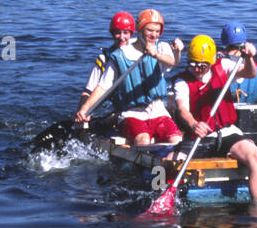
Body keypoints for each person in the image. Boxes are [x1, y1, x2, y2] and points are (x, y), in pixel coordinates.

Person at [174, 35, 257, 204]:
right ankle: (169, 197)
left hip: (226, 132)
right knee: (172, 162)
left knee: (254, 156)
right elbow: (182, 110)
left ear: (210, 62)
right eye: (193, 64)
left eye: (201, 65)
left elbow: (250, 73)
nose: (196, 69)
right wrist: (194, 124)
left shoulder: (223, 66)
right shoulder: (182, 81)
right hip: (199, 137)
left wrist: (249, 58)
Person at [75, 8, 184, 145]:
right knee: (144, 140)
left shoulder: (161, 48)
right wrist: (85, 109)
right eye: (149, 30)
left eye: (157, 31)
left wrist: (160, 54)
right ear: (140, 30)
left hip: (157, 111)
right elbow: (102, 87)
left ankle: (169, 162)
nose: (154, 35)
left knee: (177, 140)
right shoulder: (118, 56)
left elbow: (174, 62)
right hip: (131, 113)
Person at [78, 12, 135, 110]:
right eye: (117, 32)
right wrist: (82, 109)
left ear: (131, 34)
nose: (122, 37)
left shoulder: (139, 53)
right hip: (119, 104)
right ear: (112, 34)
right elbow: (88, 91)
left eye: (125, 32)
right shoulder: (103, 59)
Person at [218, 21, 257, 101]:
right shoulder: (255, 62)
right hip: (250, 110)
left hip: (227, 109)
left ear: (223, 39)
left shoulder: (220, 60)